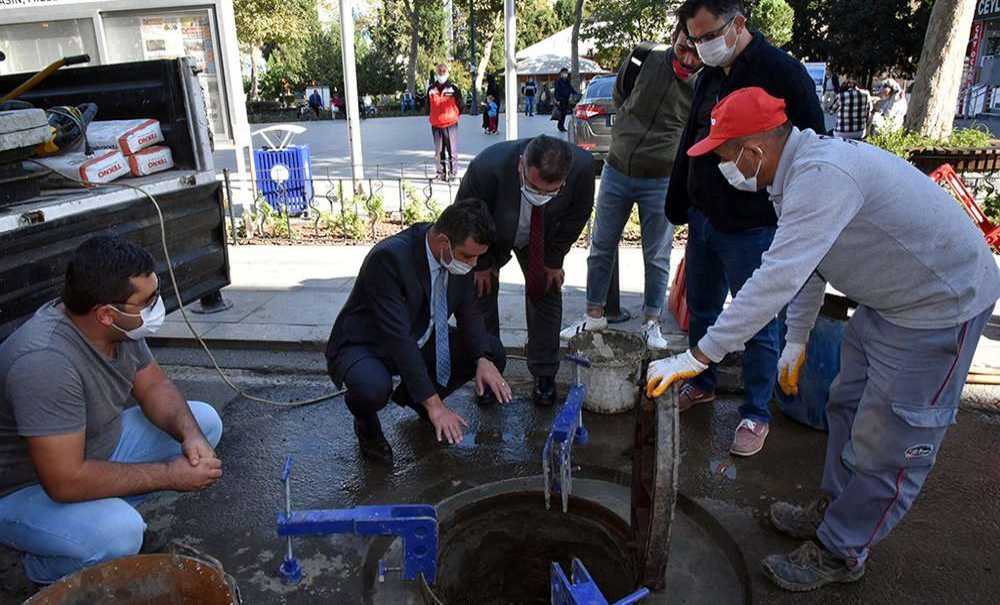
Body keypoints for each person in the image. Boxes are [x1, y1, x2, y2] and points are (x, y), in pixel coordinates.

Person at [646, 86, 1000, 592]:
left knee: (893, 443)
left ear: (756, 149)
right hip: (889, 300)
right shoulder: (794, 176)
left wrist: (698, 354)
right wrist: (796, 338)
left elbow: (776, 278)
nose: (727, 168)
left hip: (941, 307)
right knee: (847, 406)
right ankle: (834, 507)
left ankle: (843, 549)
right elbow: (811, 265)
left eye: (727, 156)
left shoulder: (821, 177)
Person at [0, 236, 224, 585]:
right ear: (106, 313)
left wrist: (190, 436)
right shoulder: (45, 362)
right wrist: (170, 474)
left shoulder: (118, 329)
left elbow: (154, 387)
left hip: (94, 446)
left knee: (204, 423)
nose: (156, 307)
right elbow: (63, 481)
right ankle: (37, 568)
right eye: (147, 302)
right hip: (26, 488)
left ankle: (96, 516)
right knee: (118, 534)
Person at [666, 0, 827, 457]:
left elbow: (812, 149)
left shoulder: (783, 73)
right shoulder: (710, 75)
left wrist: (788, 215)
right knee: (702, 307)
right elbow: (691, 141)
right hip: (704, 218)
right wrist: (680, 200)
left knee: (758, 319)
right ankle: (702, 382)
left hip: (754, 226)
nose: (701, 47)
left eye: (708, 35)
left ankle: (756, 412)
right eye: (694, 39)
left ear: (737, 24)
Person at [325, 199, 510, 464]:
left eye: (478, 256)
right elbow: (398, 339)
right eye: (469, 256)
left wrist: (483, 359)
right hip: (368, 344)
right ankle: (367, 426)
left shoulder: (460, 255)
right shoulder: (390, 258)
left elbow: (470, 312)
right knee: (372, 388)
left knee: (492, 351)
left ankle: (417, 401)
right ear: (443, 242)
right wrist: (436, 405)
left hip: (421, 332)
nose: (474, 263)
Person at [561, 25, 703, 350]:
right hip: (617, 170)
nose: (688, 58)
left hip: (662, 179)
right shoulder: (643, 58)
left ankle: (651, 324)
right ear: (673, 38)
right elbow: (620, 96)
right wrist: (626, 127)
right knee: (600, 247)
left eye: (696, 53)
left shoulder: (705, 79)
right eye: (683, 47)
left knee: (657, 256)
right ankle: (593, 314)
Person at [457, 135, 595, 407]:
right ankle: (488, 370)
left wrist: (554, 260)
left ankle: (544, 373)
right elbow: (465, 218)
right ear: (521, 165)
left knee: (546, 290)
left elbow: (579, 214)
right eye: (533, 187)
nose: (541, 196)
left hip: (544, 237)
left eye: (551, 191)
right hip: (492, 237)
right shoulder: (487, 168)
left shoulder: (582, 166)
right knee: (480, 294)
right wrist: (482, 264)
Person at [428, 62, 464, 182]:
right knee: (438, 151)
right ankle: (441, 174)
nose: (441, 73)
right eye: (439, 71)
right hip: (436, 125)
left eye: (444, 71)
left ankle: (453, 173)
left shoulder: (453, 88)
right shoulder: (431, 89)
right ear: (436, 73)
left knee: (452, 150)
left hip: (450, 125)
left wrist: (455, 115)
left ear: (447, 73)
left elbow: (461, 104)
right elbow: (427, 106)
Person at [553, 68, 578, 132]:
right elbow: (556, 91)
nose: (565, 74)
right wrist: (557, 99)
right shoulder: (558, 81)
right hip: (560, 99)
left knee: (564, 113)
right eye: (564, 73)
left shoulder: (567, 81)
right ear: (561, 73)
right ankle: (560, 126)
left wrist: (575, 93)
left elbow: (570, 88)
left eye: (566, 73)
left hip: (566, 99)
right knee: (561, 113)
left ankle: (561, 126)